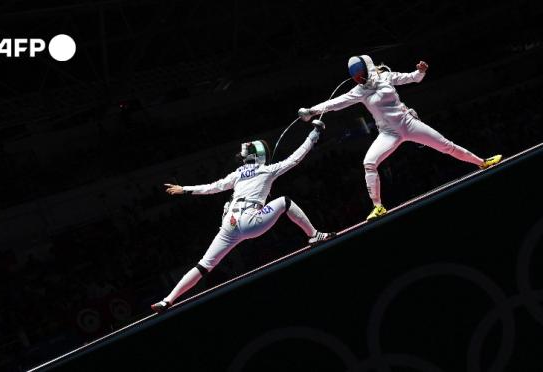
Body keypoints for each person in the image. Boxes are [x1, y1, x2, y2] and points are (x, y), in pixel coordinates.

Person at [151, 122, 334, 313]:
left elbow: (212, 187)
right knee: (285, 202)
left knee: (204, 265)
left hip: (228, 225)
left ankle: (167, 300)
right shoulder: (268, 170)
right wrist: (315, 133)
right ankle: (313, 235)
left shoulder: (237, 174)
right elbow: (296, 157)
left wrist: (185, 189)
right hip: (251, 221)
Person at [299, 55, 502, 220]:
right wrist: (311, 111)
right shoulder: (358, 91)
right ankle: (378, 206)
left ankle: (482, 162)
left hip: (409, 123)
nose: (358, 78)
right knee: (369, 163)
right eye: (355, 76)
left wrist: (421, 70)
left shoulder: (386, 77)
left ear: (367, 69)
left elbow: (413, 78)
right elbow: (335, 103)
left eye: (360, 74)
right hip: (388, 134)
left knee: (446, 146)